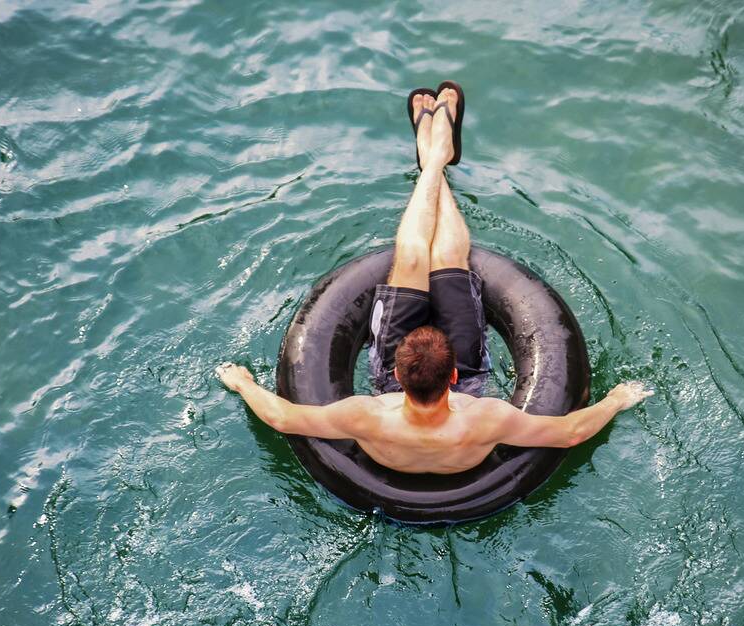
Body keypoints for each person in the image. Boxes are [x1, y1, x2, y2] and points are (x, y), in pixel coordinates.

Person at [217, 84, 653, 474]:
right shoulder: (486, 420)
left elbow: (281, 417)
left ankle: (433, 160)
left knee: (409, 257)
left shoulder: (366, 415)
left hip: (397, 415)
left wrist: (243, 383)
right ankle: (436, 157)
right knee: (446, 256)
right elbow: (572, 432)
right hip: (463, 401)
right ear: (451, 379)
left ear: (397, 375)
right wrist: (617, 399)